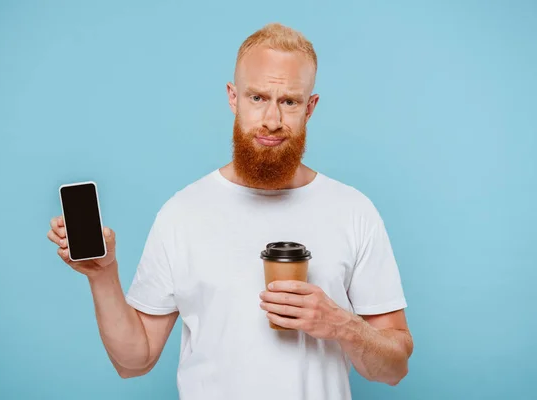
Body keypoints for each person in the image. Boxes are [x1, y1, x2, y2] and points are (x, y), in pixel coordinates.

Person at [47, 22, 413, 400]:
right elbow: (133, 361)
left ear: (310, 107)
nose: (272, 119)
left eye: (289, 101)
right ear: (233, 98)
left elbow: (395, 367)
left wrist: (340, 325)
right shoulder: (182, 214)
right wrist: (102, 276)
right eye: (257, 98)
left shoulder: (353, 210)